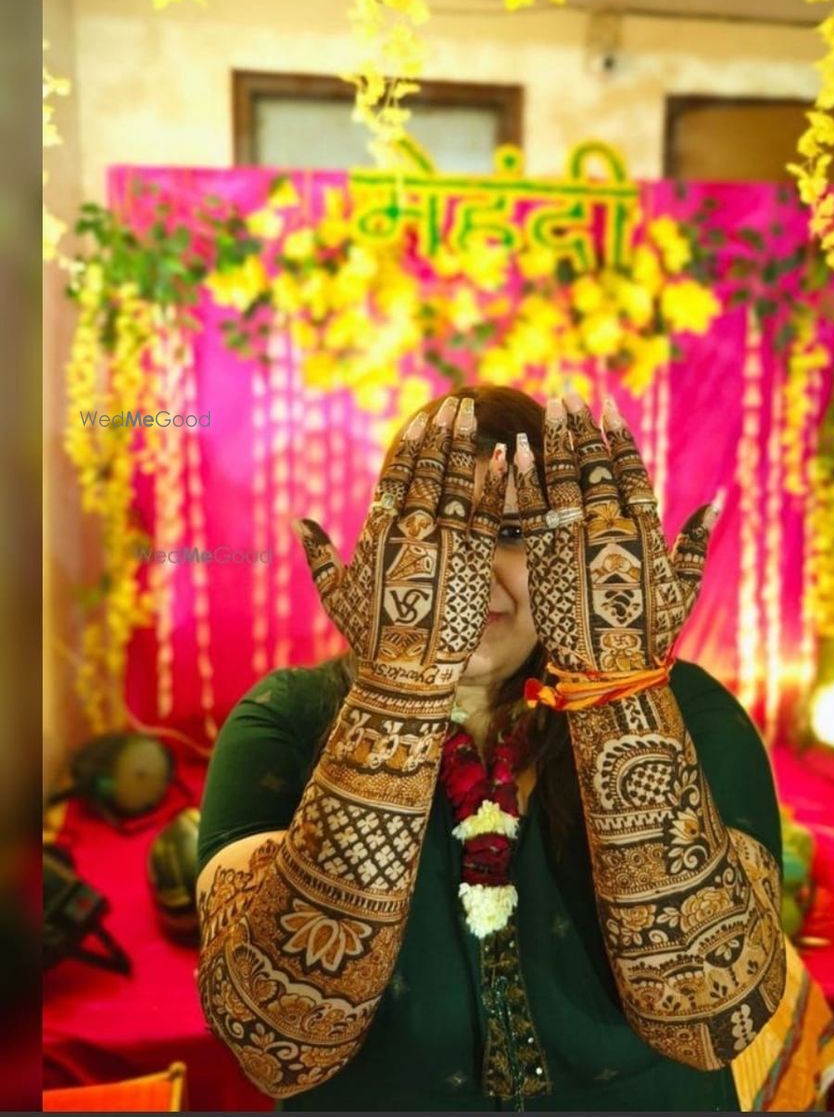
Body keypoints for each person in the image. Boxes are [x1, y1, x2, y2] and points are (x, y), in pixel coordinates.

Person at [196, 384, 786, 1112]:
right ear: (380, 546)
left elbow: (708, 1017)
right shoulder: (285, 718)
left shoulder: (686, 709)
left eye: (511, 532)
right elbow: (276, 1042)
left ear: (568, 552)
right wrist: (403, 683)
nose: (470, 572)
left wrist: (613, 682)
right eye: (441, 529)